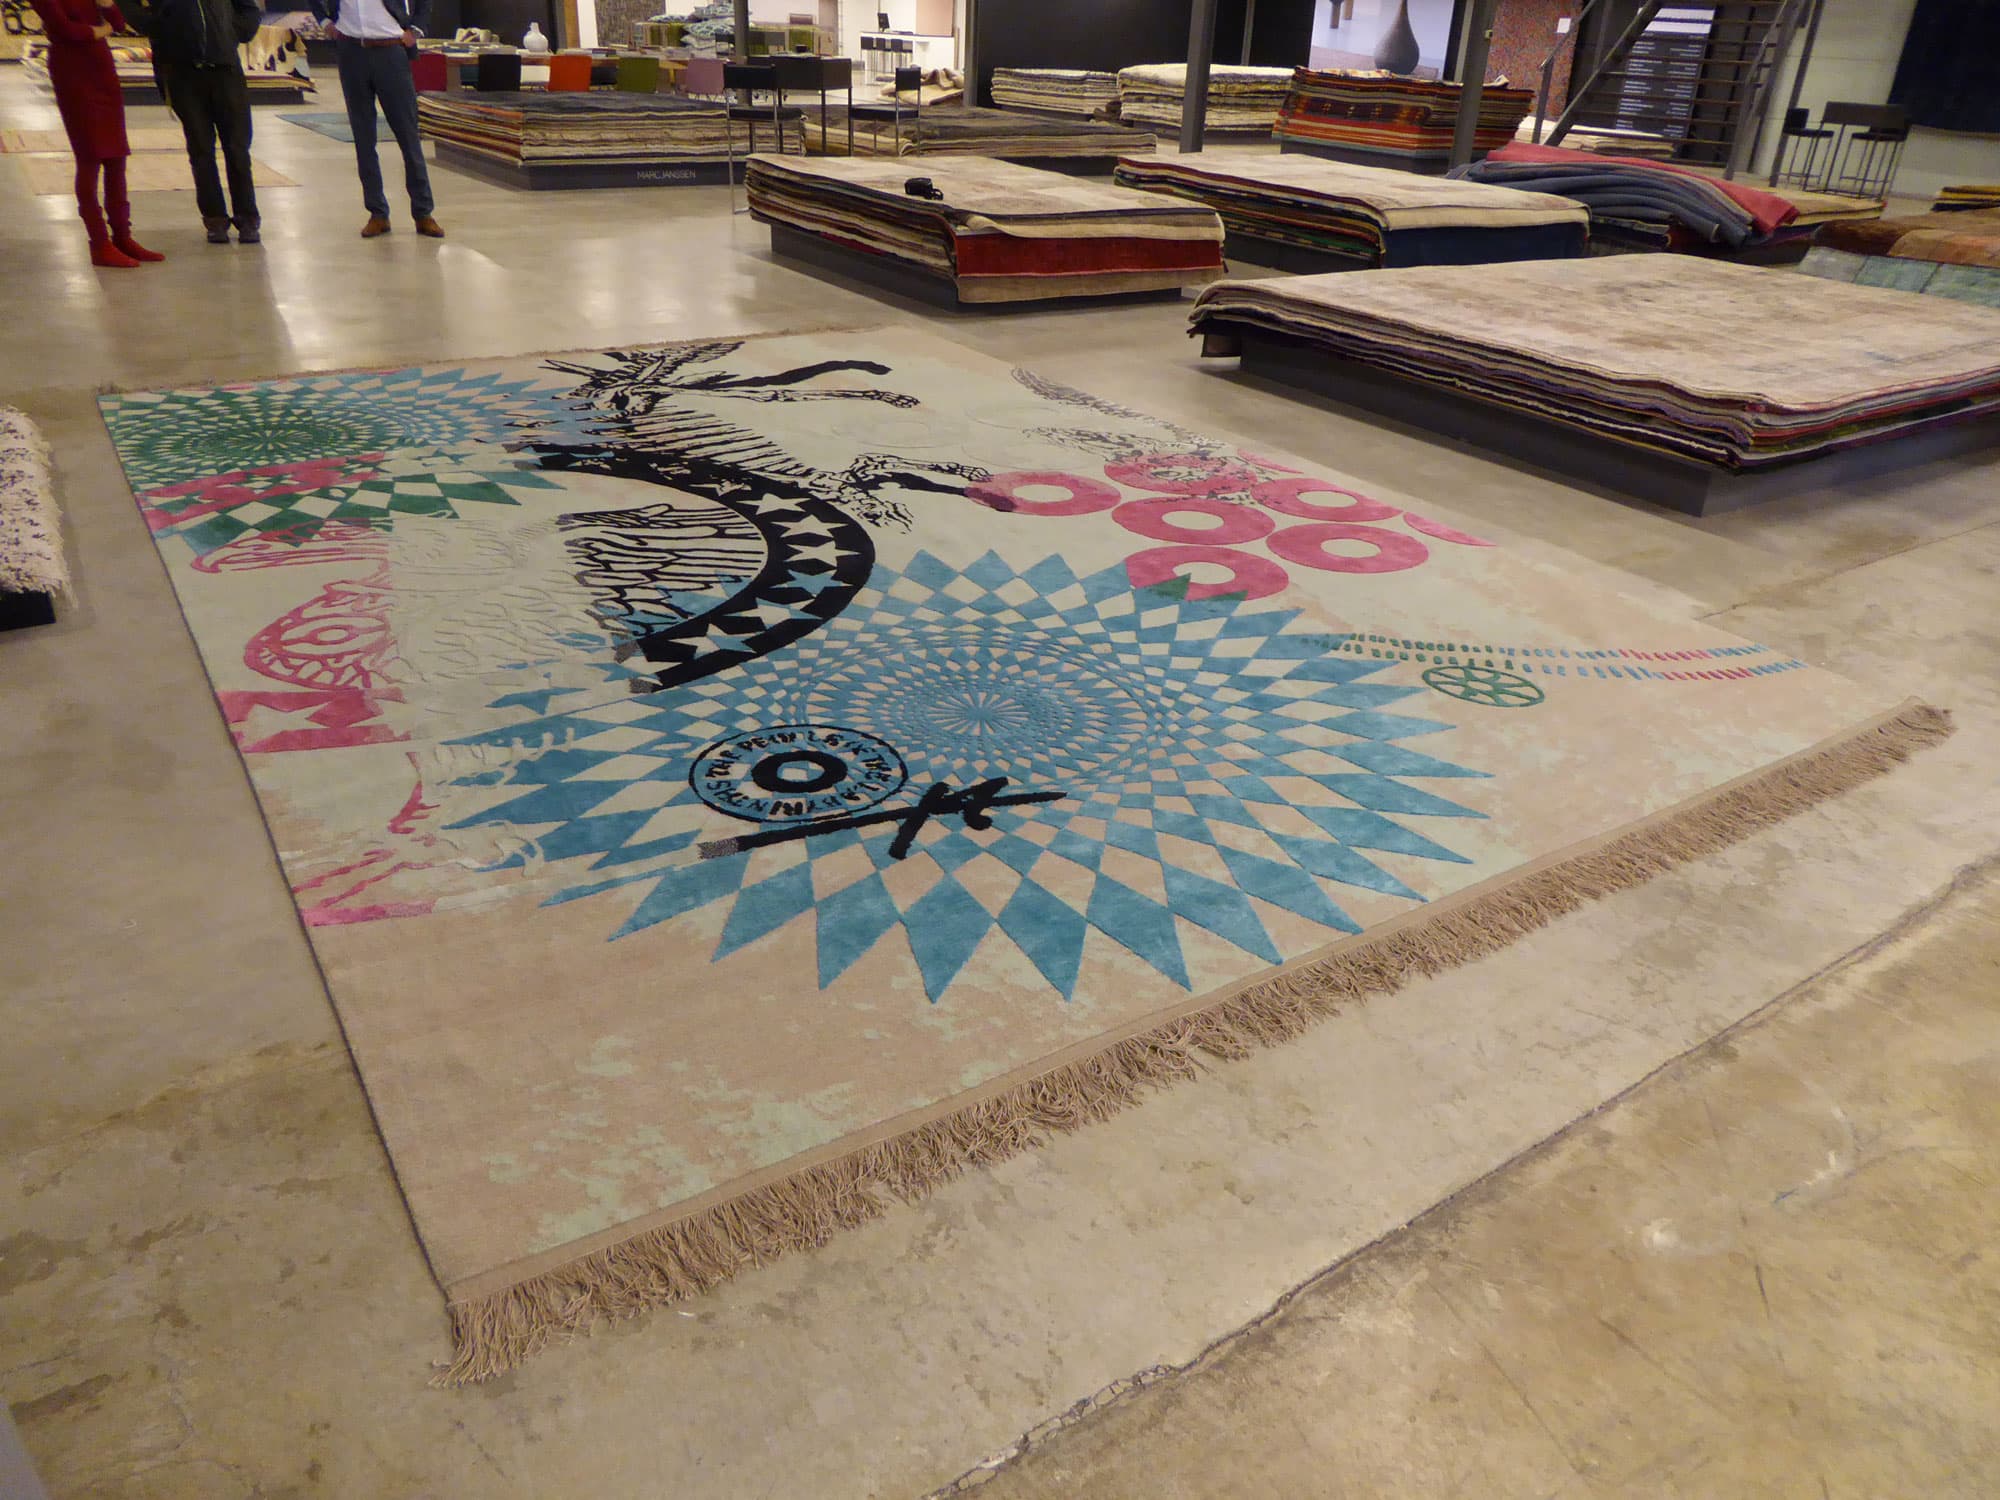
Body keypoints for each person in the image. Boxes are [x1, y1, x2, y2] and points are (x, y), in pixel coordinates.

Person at [26, 0, 164, 267]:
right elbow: (64, 30)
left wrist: (107, 4)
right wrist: (101, 30)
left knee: (117, 156)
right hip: (72, 71)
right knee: (89, 157)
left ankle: (123, 236)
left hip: (101, 68)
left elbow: (120, 23)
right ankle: (100, 243)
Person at [125, 0, 262, 244]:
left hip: (226, 70)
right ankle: (215, 219)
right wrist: (159, 26)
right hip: (182, 73)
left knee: (238, 148)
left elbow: (249, 8)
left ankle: (247, 218)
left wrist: (233, 30)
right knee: (201, 150)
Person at [308, 0, 442, 239]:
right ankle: (377, 213)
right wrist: (325, 21)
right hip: (351, 52)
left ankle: (423, 212)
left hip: (391, 50)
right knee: (363, 138)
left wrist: (416, 29)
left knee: (408, 136)